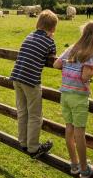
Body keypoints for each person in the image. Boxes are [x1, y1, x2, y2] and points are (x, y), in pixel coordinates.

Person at [53, 21, 93, 178]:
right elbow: (85, 76)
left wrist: (69, 67)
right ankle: (84, 169)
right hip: (79, 97)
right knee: (79, 133)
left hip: (65, 95)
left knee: (69, 129)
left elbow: (56, 64)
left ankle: (74, 164)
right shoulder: (90, 54)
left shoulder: (72, 49)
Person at [10, 9, 58, 158]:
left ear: (38, 24)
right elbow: (53, 55)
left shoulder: (29, 35)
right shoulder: (49, 41)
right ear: (53, 28)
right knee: (35, 115)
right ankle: (33, 148)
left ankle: (23, 142)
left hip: (17, 77)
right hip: (31, 81)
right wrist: (50, 37)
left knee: (22, 111)